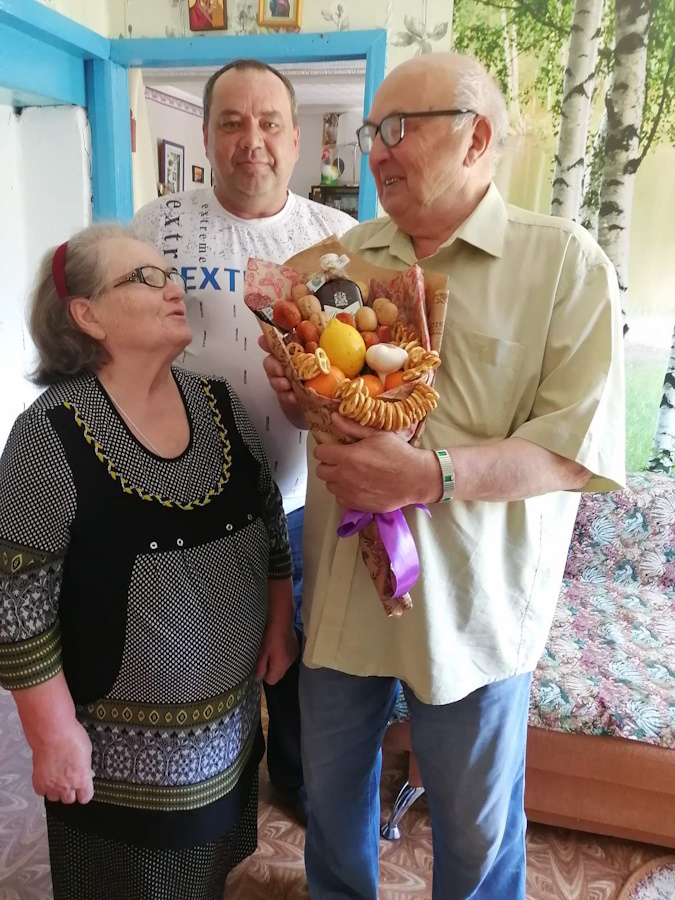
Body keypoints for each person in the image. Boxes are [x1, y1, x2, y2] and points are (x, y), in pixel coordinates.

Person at [261, 52, 626, 899]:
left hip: (473, 606)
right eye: (371, 131)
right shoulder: (339, 260)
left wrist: (427, 476)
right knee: (329, 805)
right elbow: (322, 412)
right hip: (344, 595)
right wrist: (296, 395)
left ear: (476, 138)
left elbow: (570, 451)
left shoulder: (565, 266)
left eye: (399, 129)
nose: (377, 151)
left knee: (474, 830)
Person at [0, 224, 297, 900]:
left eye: (171, 274)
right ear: (87, 314)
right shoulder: (50, 432)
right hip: (120, 765)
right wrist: (50, 733)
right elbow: (14, 601)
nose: (174, 289)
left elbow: (268, 516)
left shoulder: (217, 401)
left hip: (225, 733)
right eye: (146, 277)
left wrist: (279, 620)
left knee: (206, 873)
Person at [133, 58, 355, 825]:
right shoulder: (154, 228)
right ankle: (212, 789)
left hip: (304, 499)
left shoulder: (336, 239)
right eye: (231, 123)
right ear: (206, 136)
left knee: (302, 655)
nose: (250, 140)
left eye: (268, 124)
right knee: (205, 655)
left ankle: (293, 779)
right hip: (191, 499)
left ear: (294, 140)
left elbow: (359, 365)